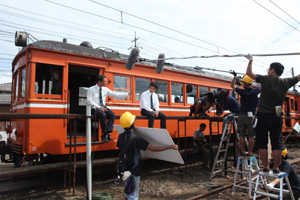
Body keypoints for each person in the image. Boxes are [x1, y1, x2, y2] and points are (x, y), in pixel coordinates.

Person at [246, 54, 300, 174]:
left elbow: (249, 74)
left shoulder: (265, 79)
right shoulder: (286, 82)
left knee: (262, 142)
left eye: (269, 69)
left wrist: (250, 61)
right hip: (276, 116)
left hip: (263, 115)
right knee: (277, 143)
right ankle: (276, 168)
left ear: (273, 71)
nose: (268, 71)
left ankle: (265, 166)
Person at [117, 111, 178, 200]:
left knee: (128, 191)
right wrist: (170, 147)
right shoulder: (137, 139)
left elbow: (121, 151)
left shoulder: (121, 136)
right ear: (133, 123)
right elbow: (154, 149)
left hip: (124, 169)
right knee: (133, 195)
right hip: (133, 171)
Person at [87, 75, 131, 143]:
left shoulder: (105, 89)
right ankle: (105, 133)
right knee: (103, 115)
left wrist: (126, 94)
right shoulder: (91, 89)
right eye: (104, 81)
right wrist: (99, 107)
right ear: (99, 81)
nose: (105, 82)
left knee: (112, 114)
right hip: (94, 107)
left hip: (103, 107)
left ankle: (107, 132)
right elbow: (89, 101)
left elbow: (114, 94)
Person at [231, 73, 261, 156]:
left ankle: (243, 151)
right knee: (251, 135)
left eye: (243, 82)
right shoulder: (256, 91)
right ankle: (250, 152)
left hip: (241, 115)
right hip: (251, 116)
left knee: (241, 135)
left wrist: (234, 77)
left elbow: (232, 85)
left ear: (247, 83)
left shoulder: (242, 91)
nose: (242, 84)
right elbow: (264, 88)